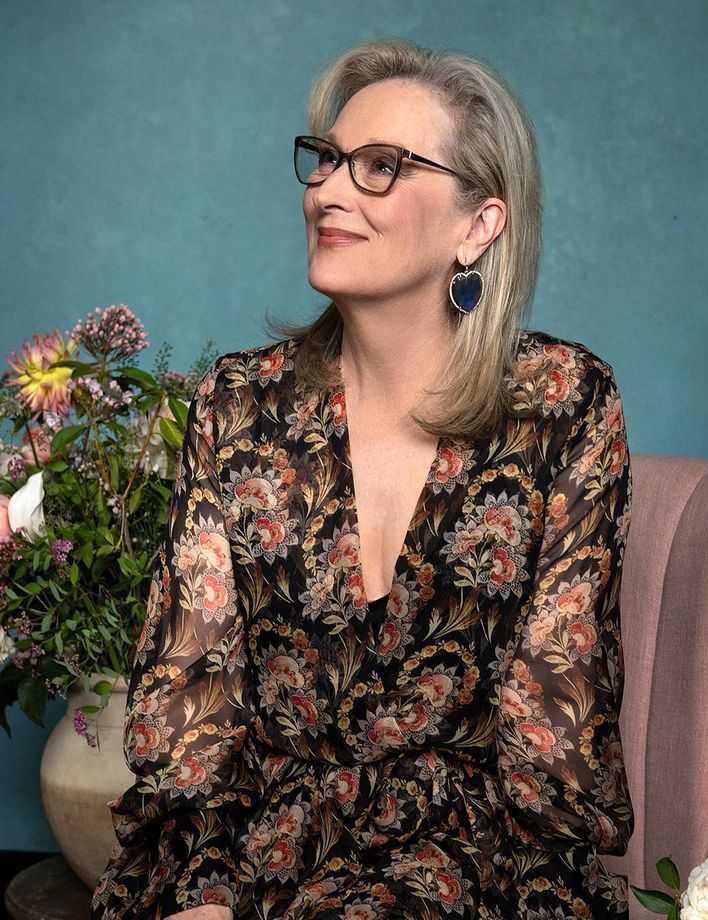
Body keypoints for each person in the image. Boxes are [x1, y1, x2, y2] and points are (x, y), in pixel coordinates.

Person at [90, 38, 634, 920]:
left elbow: (553, 733)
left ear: (478, 223)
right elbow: (192, 705)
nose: (329, 191)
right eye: (328, 161)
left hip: (476, 858)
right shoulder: (237, 404)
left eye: (382, 166)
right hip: (256, 852)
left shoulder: (563, 405)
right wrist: (201, 892)